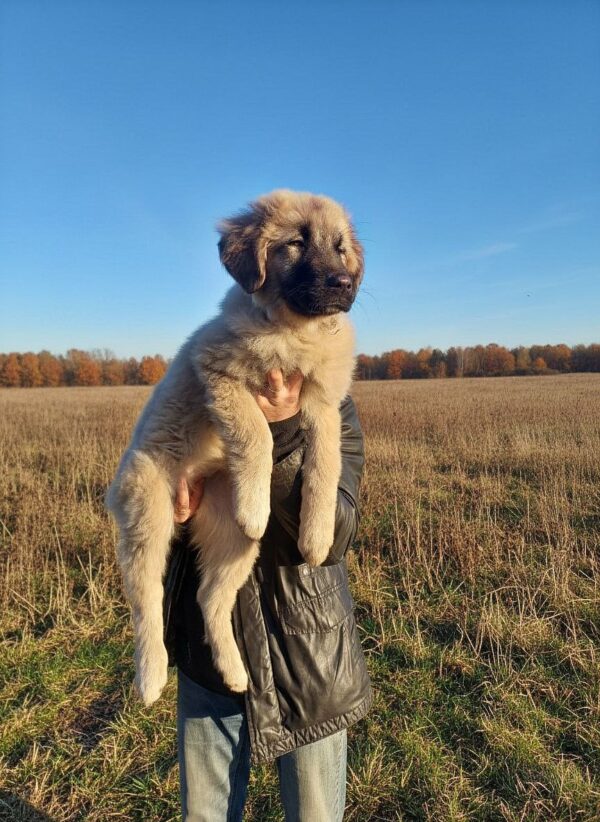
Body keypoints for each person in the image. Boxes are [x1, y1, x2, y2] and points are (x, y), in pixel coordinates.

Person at [163, 369, 372, 822]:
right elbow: (158, 510)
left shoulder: (332, 404)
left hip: (308, 664)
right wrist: (174, 515)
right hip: (209, 658)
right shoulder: (198, 394)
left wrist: (280, 429)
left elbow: (332, 539)